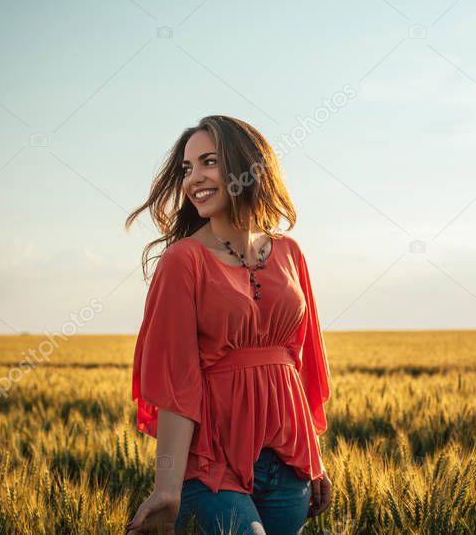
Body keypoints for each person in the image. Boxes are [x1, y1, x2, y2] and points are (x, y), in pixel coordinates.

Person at [124, 115, 333, 535]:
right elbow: (175, 381)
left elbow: (299, 360)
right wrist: (167, 488)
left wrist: (315, 458)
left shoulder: (290, 253)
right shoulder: (183, 261)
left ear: (247, 166)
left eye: (209, 162)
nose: (193, 178)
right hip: (211, 466)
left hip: (288, 465)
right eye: (186, 168)